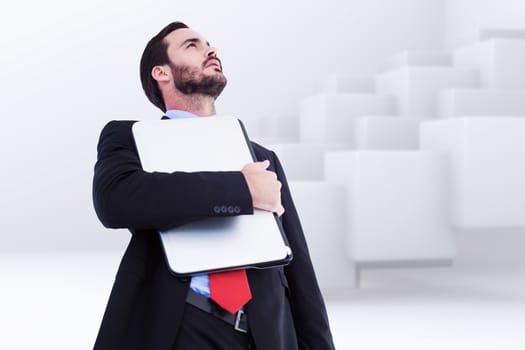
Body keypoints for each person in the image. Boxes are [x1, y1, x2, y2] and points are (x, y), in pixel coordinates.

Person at [92, 21, 335, 350]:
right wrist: (243, 191)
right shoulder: (131, 139)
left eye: (209, 44)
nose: (211, 50)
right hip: (181, 326)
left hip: (265, 334)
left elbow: (300, 273)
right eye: (192, 45)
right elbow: (116, 200)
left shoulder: (263, 158)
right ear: (161, 72)